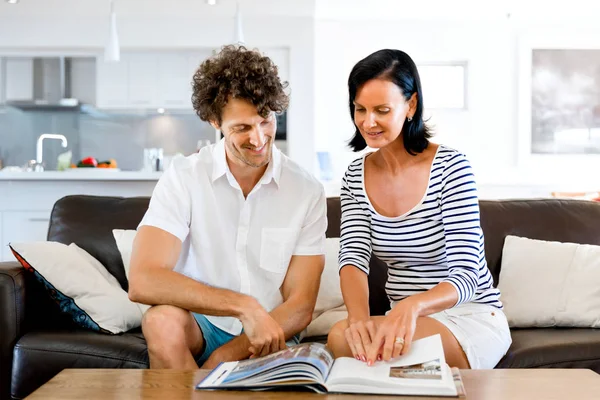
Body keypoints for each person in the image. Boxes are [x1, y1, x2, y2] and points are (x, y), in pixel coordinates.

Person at [128, 45, 327, 370]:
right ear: (214, 121)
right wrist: (243, 307)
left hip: (271, 330)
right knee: (159, 321)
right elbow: (143, 280)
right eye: (242, 128)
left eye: (265, 121)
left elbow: (301, 306)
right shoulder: (184, 177)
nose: (259, 138)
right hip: (203, 326)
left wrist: (225, 356)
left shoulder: (306, 191)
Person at [327, 49, 511, 369]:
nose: (368, 122)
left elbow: (467, 275)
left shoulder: (451, 168)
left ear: (410, 105)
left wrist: (412, 306)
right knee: (340, 338)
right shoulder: (355, 175)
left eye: (382, 110)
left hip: (467, 314)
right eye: (360, 109)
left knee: (402, 348)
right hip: (403, 321)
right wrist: (357, 321)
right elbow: (353, 258)